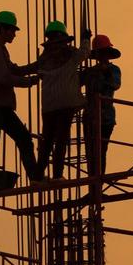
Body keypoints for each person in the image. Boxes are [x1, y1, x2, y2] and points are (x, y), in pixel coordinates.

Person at [0, 10, 41, 191]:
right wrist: (29, 82)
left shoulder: (1, 50)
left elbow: (14, 70)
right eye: (12, 30)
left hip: (2, 106)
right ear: (2, 29)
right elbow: (5, 77)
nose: (13, 34)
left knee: (24, 139)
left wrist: (36, 67)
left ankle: (35, 178)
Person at [34, 20, 93, 180]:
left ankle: (38, 176)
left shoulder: (44, 58)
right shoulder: (70, 53)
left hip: (48, 106)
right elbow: (85, 52)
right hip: (66, 103)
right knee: (61, 139)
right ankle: (57, 175)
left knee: (47, 141)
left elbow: (30, 69)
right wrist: (86, 39)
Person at [81, 34, 123, 174]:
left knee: (100, 152)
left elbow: (115, 84)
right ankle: (93, 187)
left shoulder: (113, 70)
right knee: (90, 153)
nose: (104, 56)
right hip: (89, 116)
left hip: (105, 117)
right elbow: (74, 83)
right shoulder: (90, 72)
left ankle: (98, 185)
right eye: (102, 53)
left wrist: (106, 73)